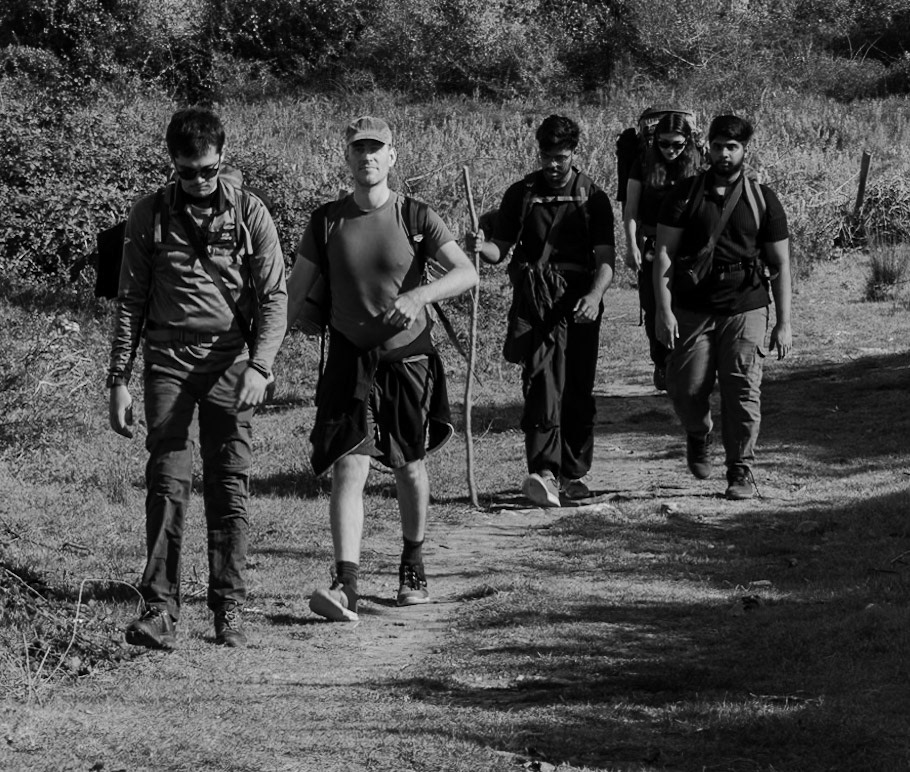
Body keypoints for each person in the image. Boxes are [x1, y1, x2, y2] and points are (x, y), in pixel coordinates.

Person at [108, 106, 287, 648]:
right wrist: (118, 377)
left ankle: (227, 606)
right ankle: (159, 608)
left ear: (222, 158)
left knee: (229, 481)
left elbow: (275, 296)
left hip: (231, 361)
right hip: (167, 359)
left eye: (208, 170)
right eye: (188, 172)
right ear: (173, 165)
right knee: (167, 482)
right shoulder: (149, 215)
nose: (200, 182)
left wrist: (260, 365)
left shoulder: (250, 213)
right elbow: (131, 299)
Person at [286, 116, 477, 622]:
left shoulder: (416, 215)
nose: (367, 157)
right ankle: (345, 582)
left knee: (409, 466)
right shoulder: (325, 220)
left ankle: (412, 563)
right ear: (346, 158)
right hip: (350, 357)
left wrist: (419, 295)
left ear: (393, 157)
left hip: (408, 358)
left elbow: (466, 273)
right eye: (358, 149)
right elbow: (292, 291)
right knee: (350, 463)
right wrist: (264, 356)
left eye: (377, 149)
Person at [467, 115, 615, 507]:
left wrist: (596, 296)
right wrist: (480, 247)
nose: (553, 165)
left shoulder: (593, 197)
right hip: (534, 300)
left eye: (561, 158)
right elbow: (501, 249)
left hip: (580, 301)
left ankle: (573, 474)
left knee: (577, 387)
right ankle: (544, 472)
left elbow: (605, 259)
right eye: (547, 156)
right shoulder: (521, 193)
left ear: (574, 154)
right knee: (540, 385)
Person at [653, 114, 792, 500]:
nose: (724, 154)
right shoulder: (684, 195)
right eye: (717, 146)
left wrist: (784, 322)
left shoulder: (762, 199)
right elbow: (664, 253)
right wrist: (664, 311)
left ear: (744, 150)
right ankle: (699, 433)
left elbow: (780, 264)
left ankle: (740, 470)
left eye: (732, 147)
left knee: (742, 388)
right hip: (694, 306)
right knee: (684, 386)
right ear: (707, 147)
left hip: (746, 303)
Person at [623, 111, 704, 391]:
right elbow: (631, 210)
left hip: (689, 248)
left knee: (689, 304)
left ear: (688, 142)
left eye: (678, 145)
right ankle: (662, 361)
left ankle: (685, 364)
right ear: (655, 141)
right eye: (665, 143)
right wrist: (631, 244)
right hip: (653, 246)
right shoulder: (643, 163)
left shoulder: (698, 164)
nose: (671, 150)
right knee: (654, 305)